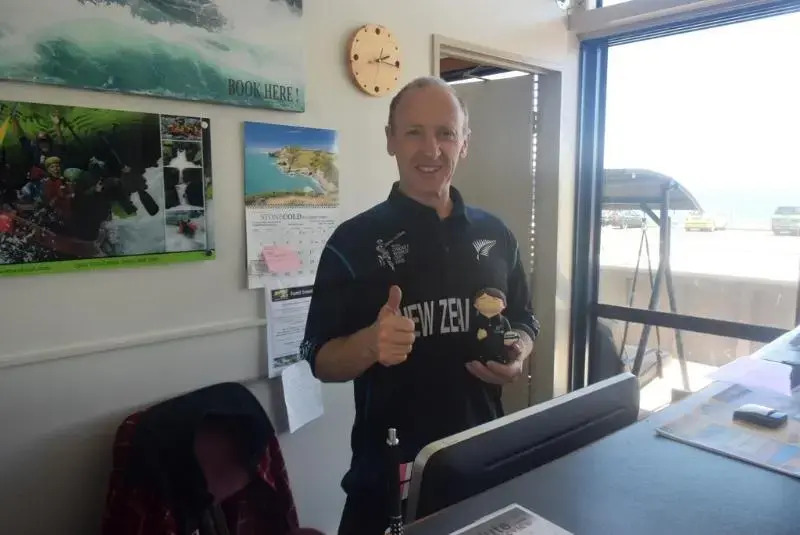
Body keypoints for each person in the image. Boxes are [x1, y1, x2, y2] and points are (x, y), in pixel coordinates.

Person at [300, 76, 540, 535]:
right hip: (386, 479)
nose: (431, 149)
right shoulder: (352, 242)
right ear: (390, 140)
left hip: (481, 461)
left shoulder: (497, 235)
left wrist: (518, 354)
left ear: (464, 143)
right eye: (414, 132)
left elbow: (525, 319)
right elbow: (319, 358)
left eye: (446, 133)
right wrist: (370, 344)